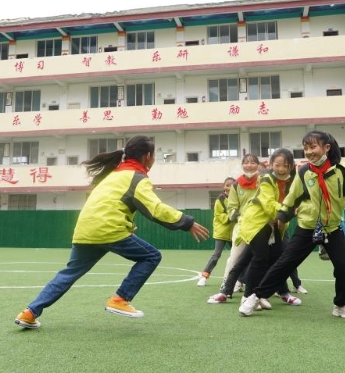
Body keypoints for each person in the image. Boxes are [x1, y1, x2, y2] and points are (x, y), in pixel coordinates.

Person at [14, 135, 209, 329]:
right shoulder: (137, 178)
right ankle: (120, 299)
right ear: (148, 156)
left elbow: (112, 205)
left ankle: (30, 312)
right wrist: (186, 222)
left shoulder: (113, 175)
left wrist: (127, 226)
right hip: (107, 229)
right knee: (151, 256)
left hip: (85, 230)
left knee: (69, 273)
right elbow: (155, 209)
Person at [239, 130, 345, 319]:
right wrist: (282, 217)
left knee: (344, 268)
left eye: (313, 147)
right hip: (307, 227)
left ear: (326, 148)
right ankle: (255, 296)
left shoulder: (342, 170)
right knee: (284, 264)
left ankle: (341, 306)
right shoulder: (304, 172)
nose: (309, 152)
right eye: (305, 148)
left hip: (331, 228)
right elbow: (291, 198)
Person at [236, 148, 303, 310]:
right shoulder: (266, 178)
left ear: (291, 167)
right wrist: (286, 213)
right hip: (257, 223)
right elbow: (268, 204)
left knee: (278, 259)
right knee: (260, 258)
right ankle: (247, 297)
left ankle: (270, 294)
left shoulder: (292, 182)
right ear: (271, 164)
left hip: (275, 225)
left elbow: (296, 201)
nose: (281, 169)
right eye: (277, 165)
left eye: (285, 166)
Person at [207, 154, 260, 304]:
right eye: (246, 162)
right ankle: (226, 287)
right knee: (234, 257)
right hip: (242, 226)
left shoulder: (264, 182)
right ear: (242, 165)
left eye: (253, 162)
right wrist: (239, 218)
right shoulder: (237, 185)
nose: (249, 165)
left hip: (261, 227)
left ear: (258, 165)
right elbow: (231, 207)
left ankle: (272, 290)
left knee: (267, 258)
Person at [196, 177, 236, 286]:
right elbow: (219, 215)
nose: (229, 187)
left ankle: (237, 281)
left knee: (237, 256)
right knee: (216, 255)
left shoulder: (237, 198)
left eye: (231, 185)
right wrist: (230, 217)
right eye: (227, 185)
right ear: (224, 186)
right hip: (221, 233)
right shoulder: (220, 199)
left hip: (234, 233)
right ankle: (204, 276)